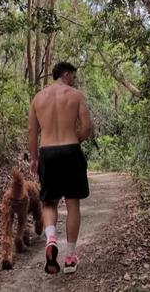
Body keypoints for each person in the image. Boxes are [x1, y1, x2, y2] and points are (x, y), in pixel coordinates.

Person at [27, 62, 92, 274]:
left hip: (47, 152)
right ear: (65, 74)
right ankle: (70, 258)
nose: (74, 79)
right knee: (73, 204)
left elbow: (31, 130)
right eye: (73, 75)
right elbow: (86, 127)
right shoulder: (75, 95)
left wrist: (34, 159)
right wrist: (75, 141)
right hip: (71, 150)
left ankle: (51, 238)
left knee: (48, 202)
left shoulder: (38, 98)